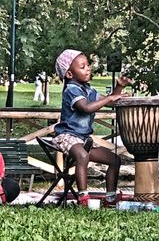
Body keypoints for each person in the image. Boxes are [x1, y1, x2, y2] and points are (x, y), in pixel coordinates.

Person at [52, 49, 132, 207]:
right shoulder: (71, 90)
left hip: (82, 140)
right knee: (82, 155)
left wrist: (118, 87)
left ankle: (110, 198)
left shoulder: (89, 90)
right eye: (82, 67)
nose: (88, 68)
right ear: (69, 74)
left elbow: (110, 103)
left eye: (88, 65)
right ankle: (83, 198)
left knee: (115, 160)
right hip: (66, 136)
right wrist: (110, 97)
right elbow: (86, 108)